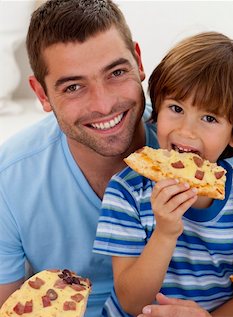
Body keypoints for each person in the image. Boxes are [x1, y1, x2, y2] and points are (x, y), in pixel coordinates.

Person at [93, 31, 233, 317]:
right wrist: (165, 233)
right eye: (176, 108)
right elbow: (131, 302)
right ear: (156, 110)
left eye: (209, 118)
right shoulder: (126, 191)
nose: (186, 130)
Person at [0, 1, 159, 316]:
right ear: (42, 94)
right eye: (73, 87)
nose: (103, 105)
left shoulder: (209, 156)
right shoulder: (9, 179)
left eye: (116, 72)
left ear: (138, 62)